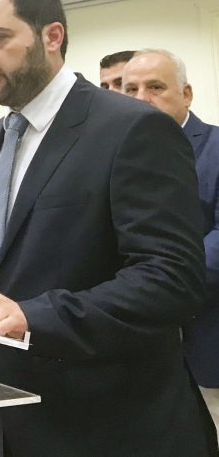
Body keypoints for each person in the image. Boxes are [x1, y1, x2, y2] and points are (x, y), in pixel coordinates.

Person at [0, 0, 214, 456]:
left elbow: (171, 278)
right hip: (12, 411)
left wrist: (36, 314)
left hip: (111, 420)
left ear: (51, 36)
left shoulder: (132, 128)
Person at [122, 48, 219, 432]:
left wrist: (158, 283)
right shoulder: (113, 157)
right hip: (134, 349)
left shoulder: (216, 148)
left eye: (155, 87)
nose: (141, 98)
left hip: (206, 342)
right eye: (130, 89)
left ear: (186, 94)